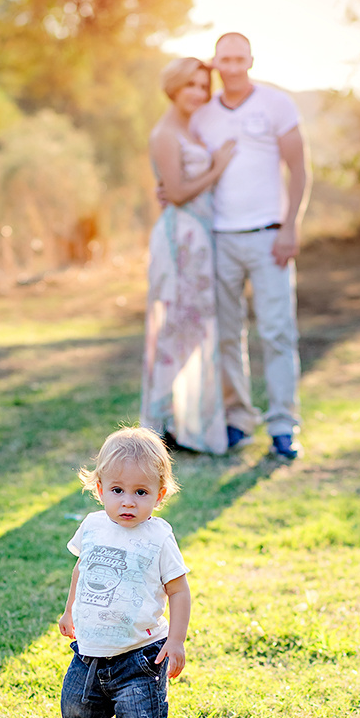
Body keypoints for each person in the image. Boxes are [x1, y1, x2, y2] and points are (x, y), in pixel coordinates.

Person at [58, 426, 191, 718]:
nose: (128, 501)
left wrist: (177, 640)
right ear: (99, 488)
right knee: (78, 713)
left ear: (160, 495)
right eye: (117, 490)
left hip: (141, 651)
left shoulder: (158, 537)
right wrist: (69, 610)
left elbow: (179, 591)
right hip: (92, 648)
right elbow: (82, 568)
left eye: (141, 492)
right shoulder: (93, 526)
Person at [191, 32, 311, 459]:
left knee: (278, 332)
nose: (234, 67)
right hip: (220, 238)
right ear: (217, 64)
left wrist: (291, 226)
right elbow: (190, 166)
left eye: (240, 59)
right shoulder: (202, 115)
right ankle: (238, 419)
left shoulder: (277, 104)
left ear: (252, 61)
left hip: (269, 236)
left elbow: (299, 169)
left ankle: (283, 425)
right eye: (226, 60)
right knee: (226, 334)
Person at [141, 57, 236, 454]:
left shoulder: (190, 128)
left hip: (200, 238)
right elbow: (176, 193)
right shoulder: (165, 133)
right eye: (191, 85)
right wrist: (217, 167)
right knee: (175, 329)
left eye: (204, 85)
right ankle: (161, 425)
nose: (199, 92)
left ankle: (185, 423)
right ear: (174, 89)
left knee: (195, 329)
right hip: (179, 239)